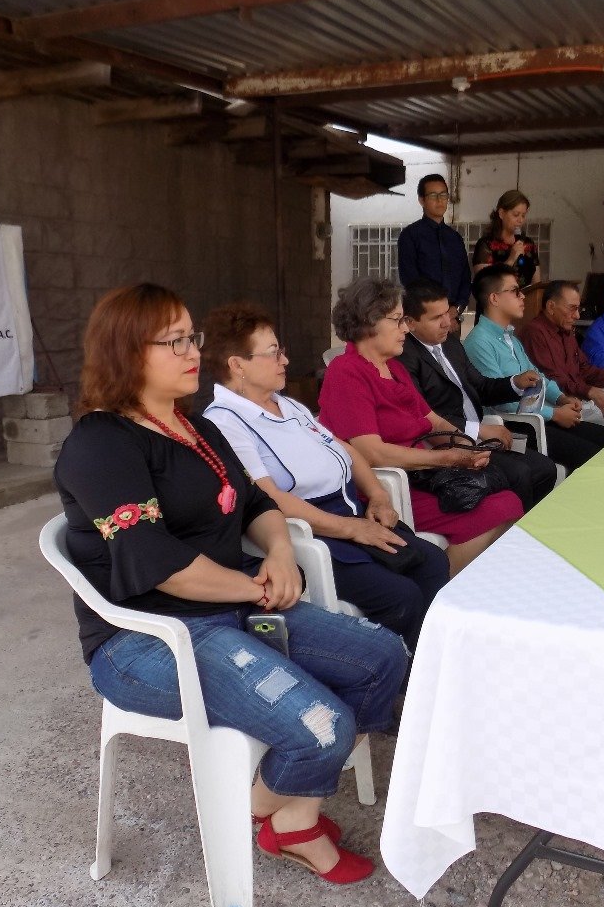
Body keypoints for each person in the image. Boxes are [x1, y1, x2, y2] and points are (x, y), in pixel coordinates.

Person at [53, 283, 406, 886]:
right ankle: (290, 822)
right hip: (148, 640)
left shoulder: (198, 429)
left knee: (385, 658)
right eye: (175, 341)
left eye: (193, 337)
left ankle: (274, 808)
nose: (194, 351)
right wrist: (252, 590)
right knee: (325, 724)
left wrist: (278, 554)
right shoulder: (100, 444)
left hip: (237, 604)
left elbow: (253, 503)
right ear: (127, 351)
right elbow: (161, 565)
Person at [200, 305, 449, 652]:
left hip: (352, 514)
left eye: (281, 351)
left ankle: (430, 664)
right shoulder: (225, 422)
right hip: (311, 529)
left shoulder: (289, 406)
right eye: (273, 353)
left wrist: (377, 495)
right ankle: (397, 677)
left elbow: (345, 450)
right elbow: (267, 496)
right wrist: (349, 528)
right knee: (400, 595)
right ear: (237, 364)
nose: (284, 361)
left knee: (434, 562)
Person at [318, 276, 522, 576]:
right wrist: (446, 457)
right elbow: (371, 452)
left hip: (425, 474)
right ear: (369, 322)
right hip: (385, 486)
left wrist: (466, 446)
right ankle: (444, 587)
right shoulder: (347, 372)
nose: (405, 329)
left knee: (509, 489)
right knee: (501, 506)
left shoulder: (394, 368)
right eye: (398, 321)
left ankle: (468, 582)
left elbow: (433, 420)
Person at [396, 278, 557, 510]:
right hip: (449, 444)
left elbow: (480, 387)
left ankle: (530, 525)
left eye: (447, 314)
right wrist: (478, 430)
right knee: (520, 473)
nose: (446, 324)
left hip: (482, 436)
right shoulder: (405, 357)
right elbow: (424, 416)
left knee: (545, 467)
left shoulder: (451, 344)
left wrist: (515, 383)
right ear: (409, 322)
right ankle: (515, 536)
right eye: (435, 318)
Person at [463, 265, 604, 471]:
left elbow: (538, 377)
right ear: (494, 298)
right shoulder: (479, 342)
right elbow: (503, 401)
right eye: (515, 291)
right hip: (514, 427)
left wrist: (562, 398)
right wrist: (554, 414)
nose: (523, 297)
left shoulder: (510, 338)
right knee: (594, 457)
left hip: (537, 417)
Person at [520, 279, 604, 432]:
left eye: (578, 309)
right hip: (562, 411)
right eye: (572, 308)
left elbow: (586, 370)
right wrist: (590, 391)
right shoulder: (535, 332)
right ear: (551, 306)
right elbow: (552, 379)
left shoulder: (567, 332)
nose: (577, 315)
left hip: (584, 406)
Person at [396, 173, 471, 316]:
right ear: (421, 200)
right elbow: (410, 280)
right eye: (433, 195)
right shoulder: (410, 235)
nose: (440, 200)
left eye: (443, 195)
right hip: (424, 316)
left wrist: (456, 310)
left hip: (453, 318)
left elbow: (465, 279)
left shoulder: (455, 238)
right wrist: (437, 312)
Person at [471, 190, 540, 289]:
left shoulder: (528, 244)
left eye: (523, 215)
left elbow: (536, 285)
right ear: (501, 213)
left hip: (525, 301)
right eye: (516, 215)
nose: (520, 220)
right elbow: (484, 284)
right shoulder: (486, 244)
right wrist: (511, 259)